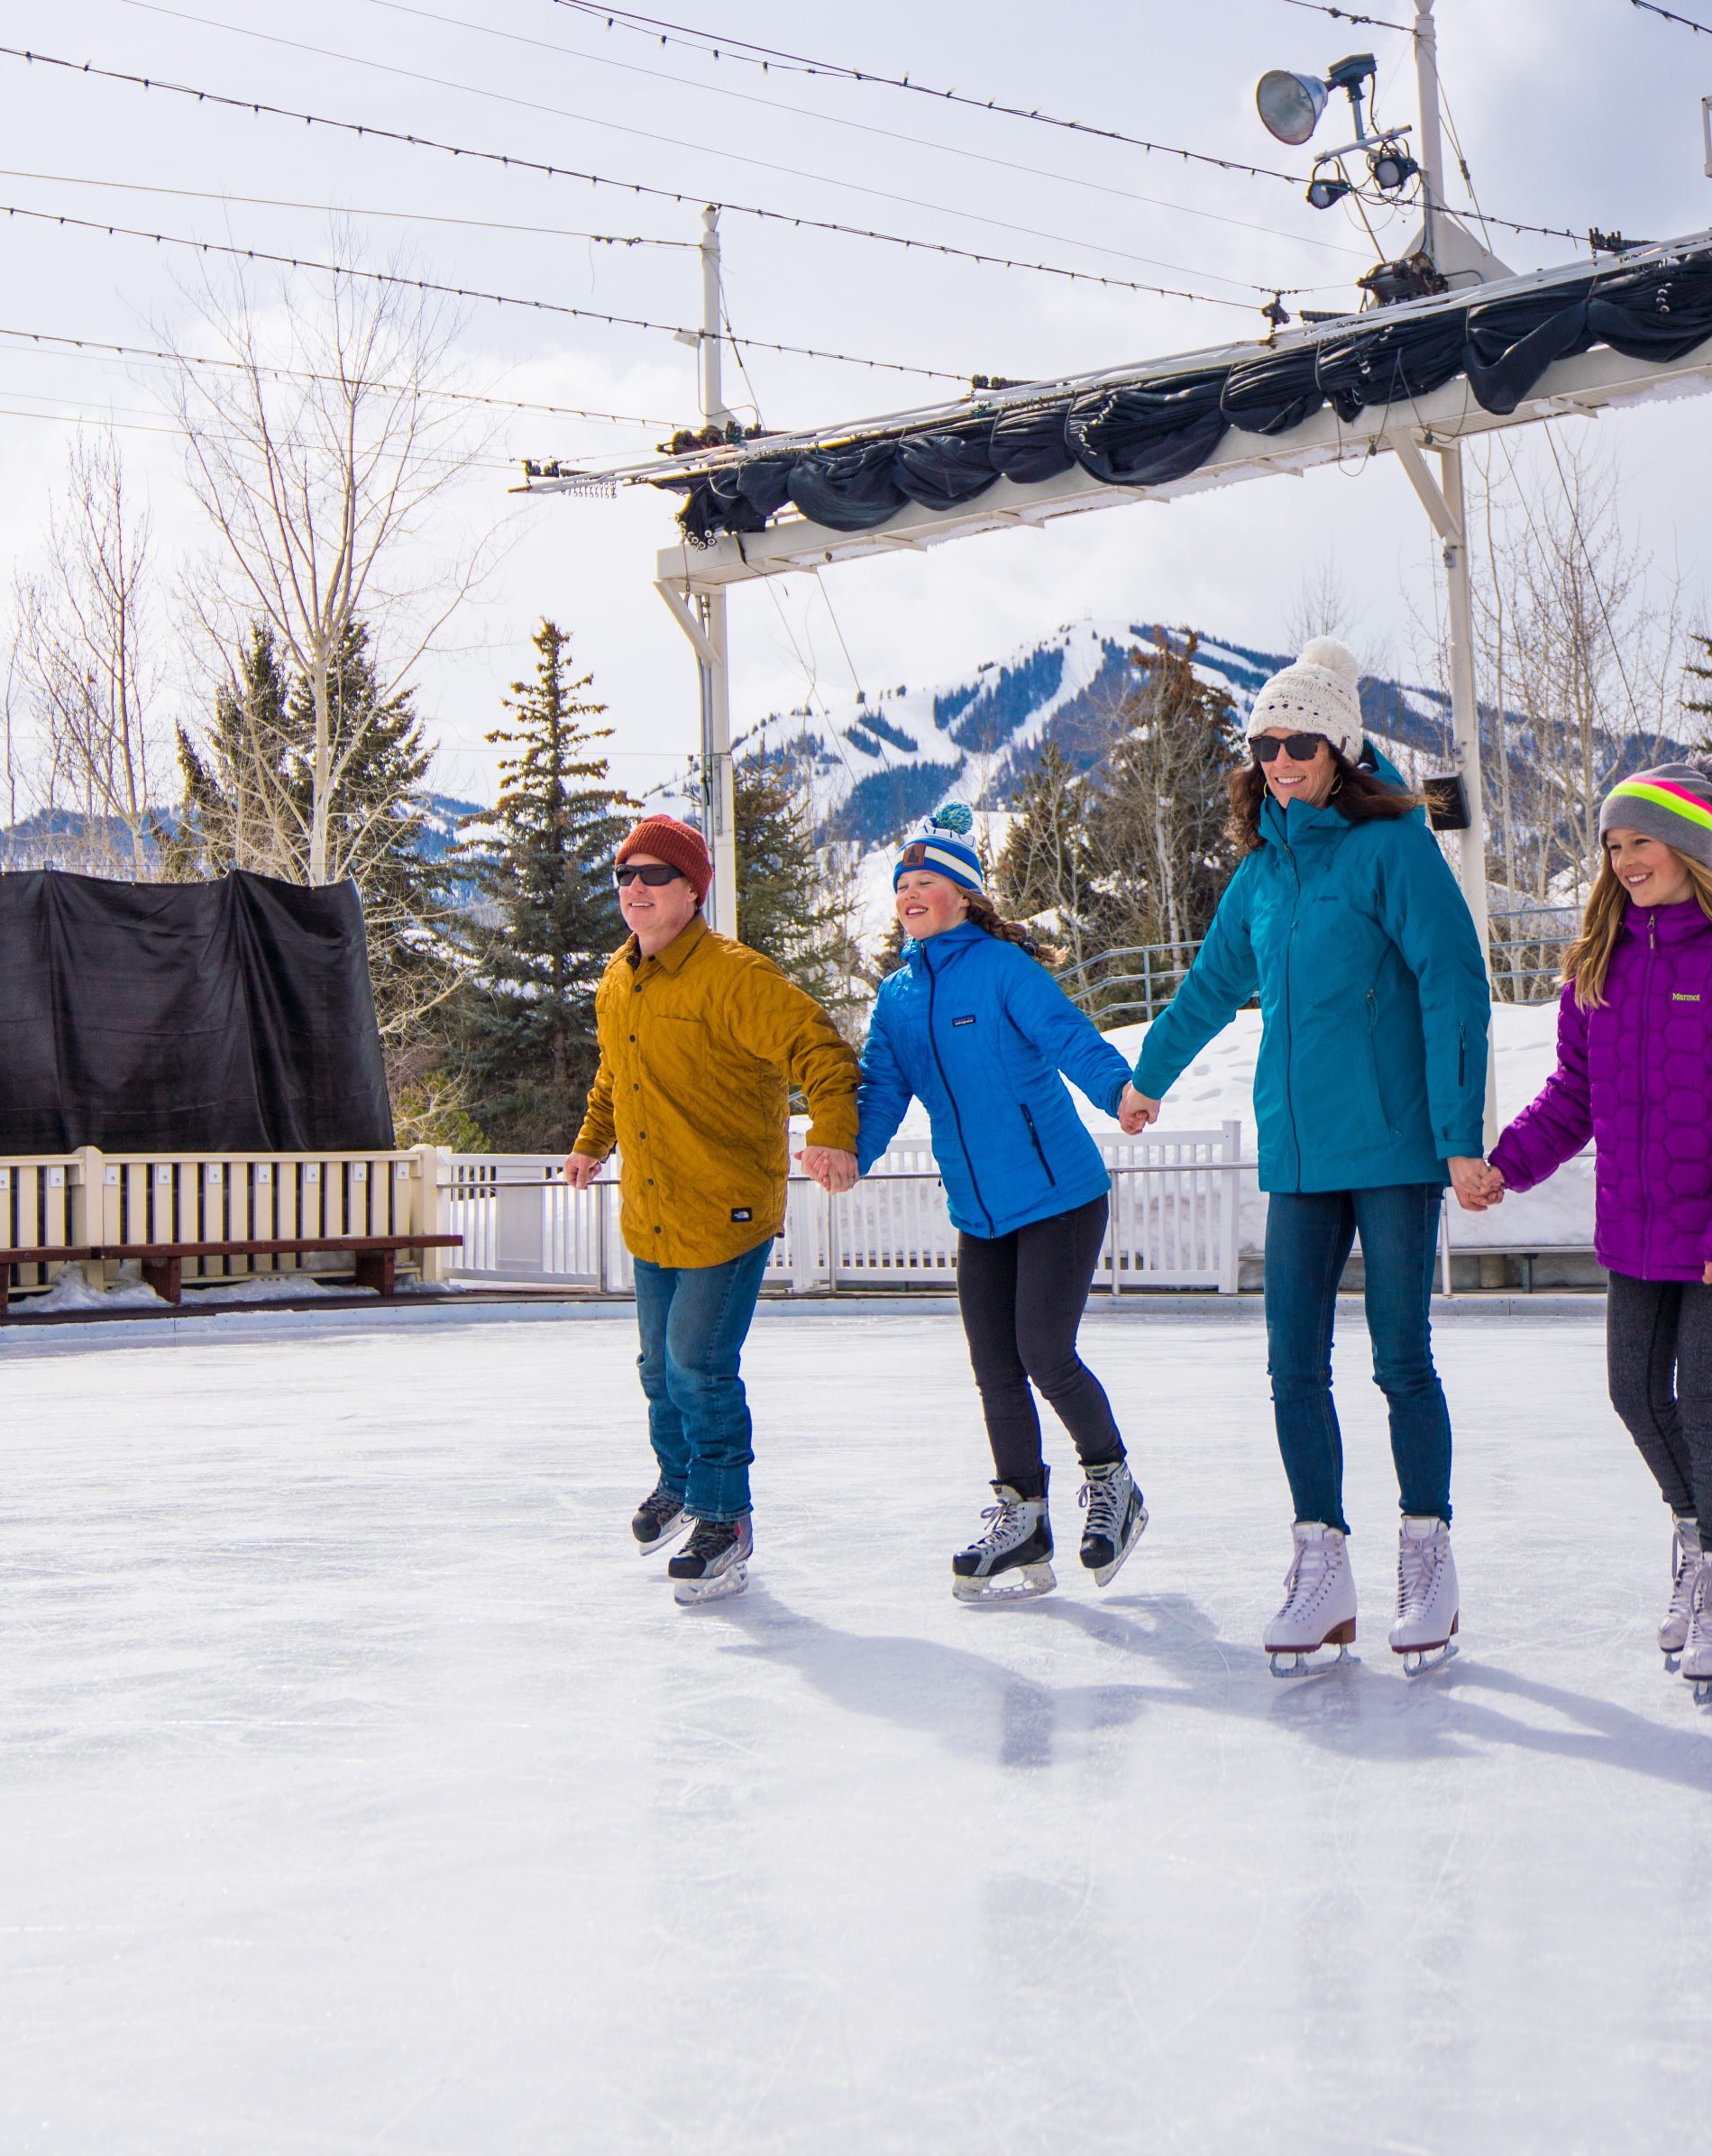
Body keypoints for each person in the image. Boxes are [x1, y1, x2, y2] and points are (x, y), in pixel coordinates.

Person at [1124, 637, 1491, 1679]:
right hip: (1297, 1153)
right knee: (1291, 1365)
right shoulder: (1260, 875)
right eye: (1265, 745)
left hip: (1391, 1146)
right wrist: (1147, 1077)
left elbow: (1452, 984)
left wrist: (1459, 1137)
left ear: (1340, 750)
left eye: (1299, 743)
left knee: (1397, 1358)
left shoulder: (1392, 850)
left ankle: (1426, 1556)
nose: (1280, 761)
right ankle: (1319, 1562)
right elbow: (1208, 986)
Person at [1451, 754, 1712, 1700]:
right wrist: (1507, 1164)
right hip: (1639, 1222)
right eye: (1612, 845)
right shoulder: (1600, 962)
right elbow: (1573, 1095)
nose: (1621, 861)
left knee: (1704, 1395)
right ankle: (1698, 1540)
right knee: (1632, 1392)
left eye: (1639, 842)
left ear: (1688, 846)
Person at [856, 807, 1158, 1603]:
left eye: (927, 882)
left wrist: (1118, 1091)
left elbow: (1068, 1036)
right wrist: (848, 1153)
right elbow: (880, 1091)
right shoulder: (896, 997)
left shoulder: (1002, 970)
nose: (911, 895)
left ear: (963, 895)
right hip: (980, 1213)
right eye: (902, 885)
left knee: (1044, 1352)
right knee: (994, 1367)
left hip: (1059, 1196)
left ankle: (1113, 1484)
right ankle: (1022, 1518)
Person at [565, 812, 862, 1607]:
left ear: (693, 889)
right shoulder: (619, 976)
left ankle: (725, 1516)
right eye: (625, 874)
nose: (635, 887)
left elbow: (822, 1051)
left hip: (725, 1208)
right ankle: (681, 1482)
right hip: (652, 1210)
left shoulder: (736, 977)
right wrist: (592, 1143)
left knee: (698, 1365)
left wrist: (833, 1134)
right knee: (657, 1367)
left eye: (654, 874)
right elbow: (614, 1074)